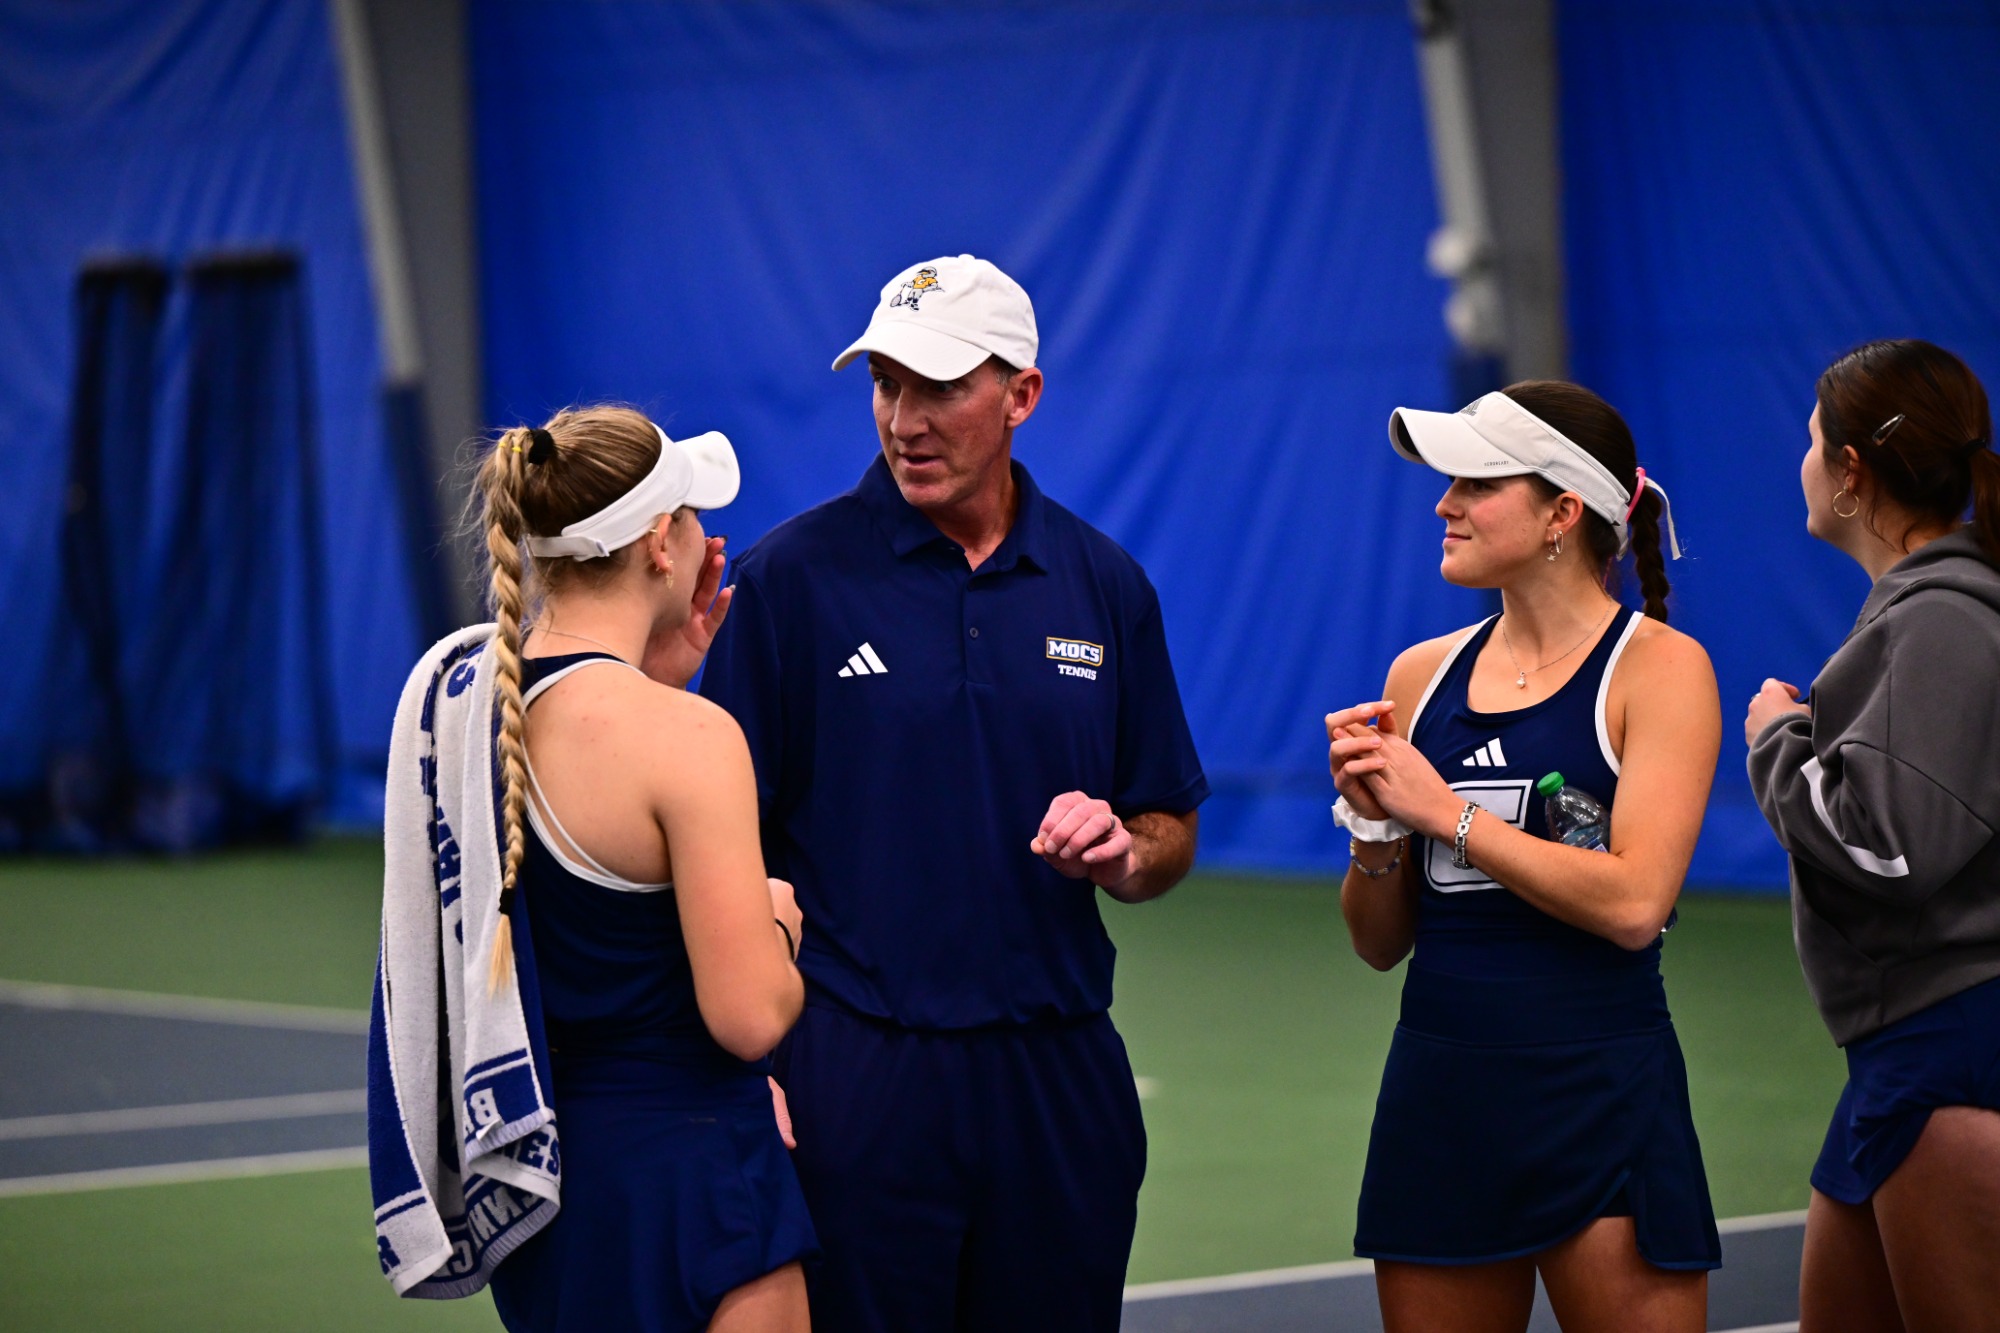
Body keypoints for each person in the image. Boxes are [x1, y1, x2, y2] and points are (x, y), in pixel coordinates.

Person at [697, 254, 1208, 1332]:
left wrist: (1126, 849)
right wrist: (752, 1069)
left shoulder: (1105, 584)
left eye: (937, 387)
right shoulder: (789, 583)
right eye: (885, 384)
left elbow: (1168, 824)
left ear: (1021, 394)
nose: (904, 420)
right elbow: (721, 851)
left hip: (1060, 1073)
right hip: (856, 1074)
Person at [1326, 383, 1722, 1332]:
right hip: (1440, 1102)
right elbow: (1379, 944)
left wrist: (1446, 813)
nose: (1444, 503)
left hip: (1602, 1098)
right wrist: (1376, 829)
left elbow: (1635, 903)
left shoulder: (1662, 668)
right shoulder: (1420, 675)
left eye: (1476, 482)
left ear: (1562, 512)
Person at [472, 407, 817, 1332]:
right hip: (698, 1177)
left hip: (549, 1192)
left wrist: (660, 677)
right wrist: (778, 926)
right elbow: (749, 1016)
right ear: (662, 544)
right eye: (695, 516)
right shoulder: (691, 739)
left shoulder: (470, 712)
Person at [1744, 339, 2000, 1333]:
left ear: (1850, 471)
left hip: (1947, 1045)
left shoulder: (1940, 624)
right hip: (1902, 1047)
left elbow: (1889, 846)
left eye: (1813, 440)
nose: (1801, 461)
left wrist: (1777, 740)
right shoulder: (1925, 615)